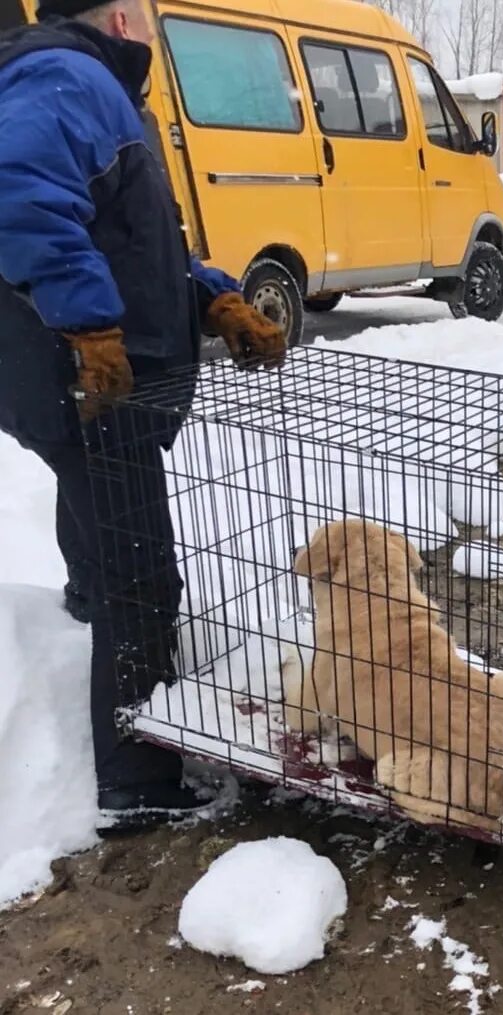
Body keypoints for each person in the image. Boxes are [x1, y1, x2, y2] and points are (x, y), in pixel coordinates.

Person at [0, 0, 286, 829]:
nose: (153, 30)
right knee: (145, 577)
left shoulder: (87, 85)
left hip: (84, 389)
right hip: (91, 385)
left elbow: (133, 242)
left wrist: (212, 295)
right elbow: (19, 196)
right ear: (120, 16)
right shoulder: (68, 76)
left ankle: (86, 605)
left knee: (98, 520)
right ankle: (137, 778)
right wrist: (89, 324)